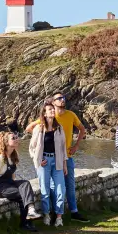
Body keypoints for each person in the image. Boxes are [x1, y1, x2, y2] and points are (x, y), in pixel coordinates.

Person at [26, 93, 88, 222]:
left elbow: (82, 129)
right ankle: (53, 214)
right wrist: (41, 142)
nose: (62, 100)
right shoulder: (47, 118)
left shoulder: (70, 115)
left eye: (63, 97)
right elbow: (29, 129)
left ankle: (73, 212)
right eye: (59, 98)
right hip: (48, 158)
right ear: (53, 102)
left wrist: (76, 145)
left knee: (68, 186)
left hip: (66, 157)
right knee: (52, 188)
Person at [0, 131, 42, 231]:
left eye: (16, 137)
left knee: (25, 183)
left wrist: (17, 184)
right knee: (23, 195)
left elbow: (12, 174)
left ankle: (30, 214)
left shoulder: (13, 155)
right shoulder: (0, 158)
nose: (17, 139)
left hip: (9, 184)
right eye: (13, 138)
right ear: (6, 142)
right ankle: (25, 224)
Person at [29, 101, 67, 227]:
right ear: (44, 113)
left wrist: (64, 165)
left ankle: (59, 217)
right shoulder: (38, 129)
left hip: (57, 161)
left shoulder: (59, 128)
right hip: (44, 162)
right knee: (45, 190)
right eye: (49, 109)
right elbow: (32, 147)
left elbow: (63, 148)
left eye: (53, 109)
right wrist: (38, 160)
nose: (52, 111)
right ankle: (46, 214)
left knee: (61, 189)